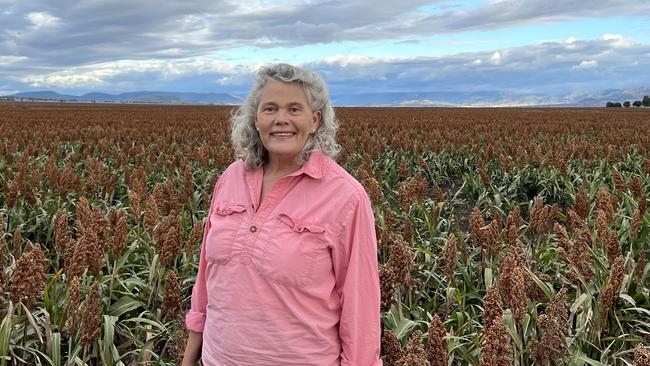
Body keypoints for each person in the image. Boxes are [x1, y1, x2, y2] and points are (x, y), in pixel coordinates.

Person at [182, 63, 382, 366]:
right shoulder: (231, 179)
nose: (281, 120)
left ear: (314, 120)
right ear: (256, 119)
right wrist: (189, 358)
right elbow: (206, 277)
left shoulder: (345, 197)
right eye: (270, 109)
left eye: (294, 109)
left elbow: (360, 306)